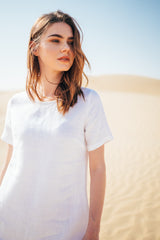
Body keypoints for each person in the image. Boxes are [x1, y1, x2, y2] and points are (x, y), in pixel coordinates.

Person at [0, 10, 113, 240]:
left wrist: (93, 228)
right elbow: (10, 162)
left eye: (71, 42)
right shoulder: (16, 103)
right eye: (55, 40)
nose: (66, 49)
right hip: (8, 221)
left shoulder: (87, 101)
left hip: (63, 229)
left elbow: (98, 169)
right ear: (35, 48)